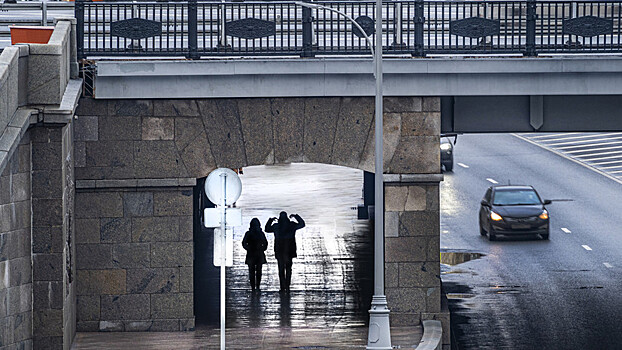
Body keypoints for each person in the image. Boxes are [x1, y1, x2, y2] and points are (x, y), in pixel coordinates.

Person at [265, 211, 305, 292]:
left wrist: (270, 220)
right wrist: (296, 216)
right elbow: (302, 224)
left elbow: (267, 229)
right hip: (290, 250)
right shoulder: (292, 225)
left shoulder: (276, 226)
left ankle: (282, 287)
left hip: (279, 251)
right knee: (288, 269)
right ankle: (287, 285)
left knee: (281, 269)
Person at [242, 218, 268, 291]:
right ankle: (257, 286)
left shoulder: (249, 233)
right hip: (258, 254)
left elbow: (244, 243)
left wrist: (248, 248)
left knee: (252, 271)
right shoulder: (260, 233)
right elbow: (265, 243)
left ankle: (254, 286)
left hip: (251, 254)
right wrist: (263, 248)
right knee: (258, 271)